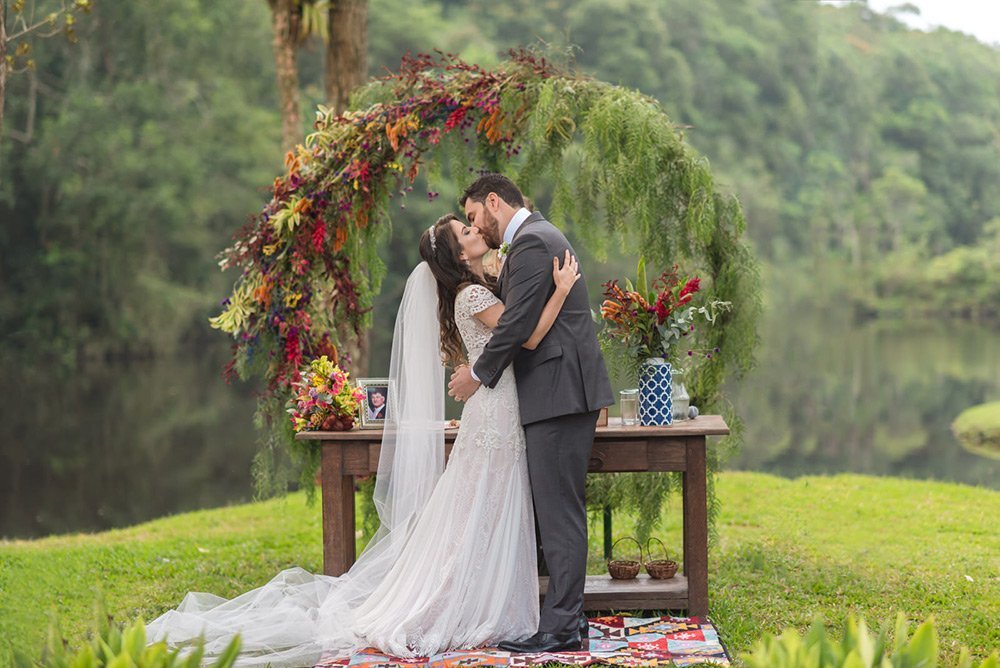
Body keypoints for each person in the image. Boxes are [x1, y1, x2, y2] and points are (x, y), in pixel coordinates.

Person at [145, 213, 582, 667]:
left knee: (480, 507)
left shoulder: (476, 286)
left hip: (496, 407)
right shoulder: (471, 294)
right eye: (466, 231)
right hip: (496, 409)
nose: (476, 231)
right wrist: (564, 290)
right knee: (480, 507)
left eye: (471, 225)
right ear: (456, 253)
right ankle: (456, 603)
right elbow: (527, 336)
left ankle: (484, 595)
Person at [449, 173, 614, 653]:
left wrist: (478, 373)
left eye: (476, 216)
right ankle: (568, 619)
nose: (477, 226)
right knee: (558, 510)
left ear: (494, 202)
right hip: (557, 391)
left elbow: (520, 323)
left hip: (559, 393)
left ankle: (562, 627)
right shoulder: (536, 240)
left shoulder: (532, 243)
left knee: (558, 512)